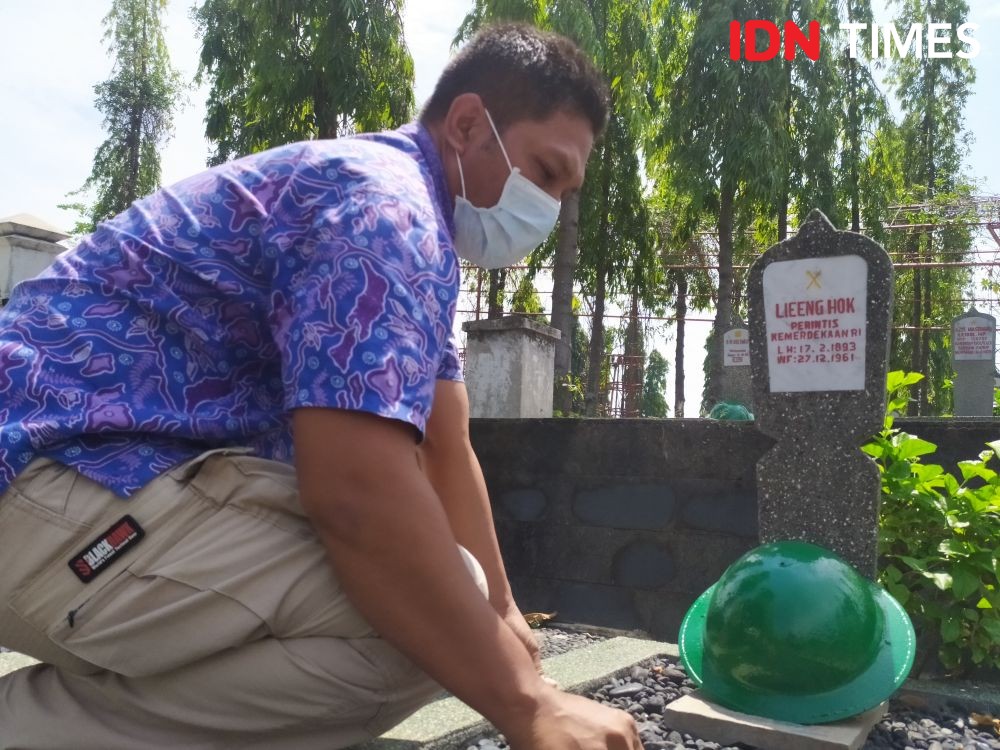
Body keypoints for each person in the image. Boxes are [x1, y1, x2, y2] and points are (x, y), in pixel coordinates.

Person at [0, 22, 642, 750]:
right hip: (49, 478)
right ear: (467, 124)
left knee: (458, 617)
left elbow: (445, 440)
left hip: (68, 486)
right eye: (545, 172)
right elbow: (357, 495)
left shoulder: (401, 218)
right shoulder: (384, 210)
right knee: (413, 622)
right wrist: (525, 705)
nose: (549, 209)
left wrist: (509, 625)